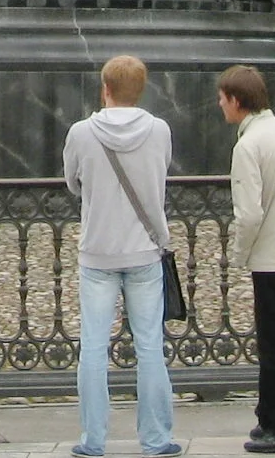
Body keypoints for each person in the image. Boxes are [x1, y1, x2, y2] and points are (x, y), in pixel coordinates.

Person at [62, 54, 181, 458]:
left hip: (98, 251)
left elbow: (73, 182)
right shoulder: (159, 130)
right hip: (144, 248)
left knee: (94, 348)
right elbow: (161, 172)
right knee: (149, 347)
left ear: (105, 89)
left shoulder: (81, 133)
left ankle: (93, 439)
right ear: (141, 90)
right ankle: (156, 438)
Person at [219, 64, 275, 455]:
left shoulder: (248, 145)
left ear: (236, 100)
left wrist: (239, 254)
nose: (220, 105)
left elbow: (249, 214)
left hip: (270, 255)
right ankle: (269, 418)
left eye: (222, 98)